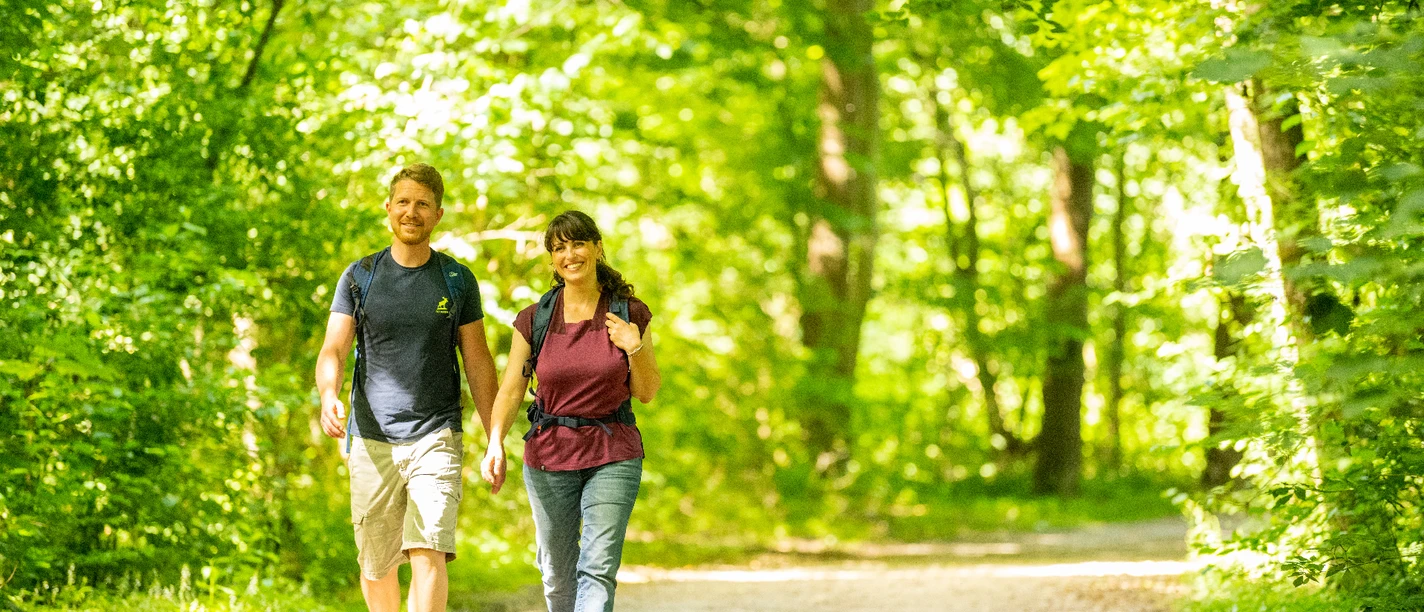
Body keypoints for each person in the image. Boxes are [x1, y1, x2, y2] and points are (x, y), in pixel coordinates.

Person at [315, 163, 498, 612]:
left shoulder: (456, 280)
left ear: (438, 214)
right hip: (371, 438)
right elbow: (334, 348)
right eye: (403, 202)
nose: (411, 212)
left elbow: (477, 361)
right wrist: (328, 396)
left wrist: (495, 437)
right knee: (376, 565)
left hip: (436, 435)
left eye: (422, 204)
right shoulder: (360, 276)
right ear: (388, 208)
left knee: (428, 548)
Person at [480, 210, 661, 612]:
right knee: (557, 574)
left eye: (578, 244)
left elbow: (647, 391)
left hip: (613, 453)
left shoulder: (628, 313)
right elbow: (511, 390)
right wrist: (494, 442)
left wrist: (633, 346)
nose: (570, 254)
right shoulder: (535, 319)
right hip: (549, 455)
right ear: (552, 258)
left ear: (597, 248)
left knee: (597, 569)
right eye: (559, 248)